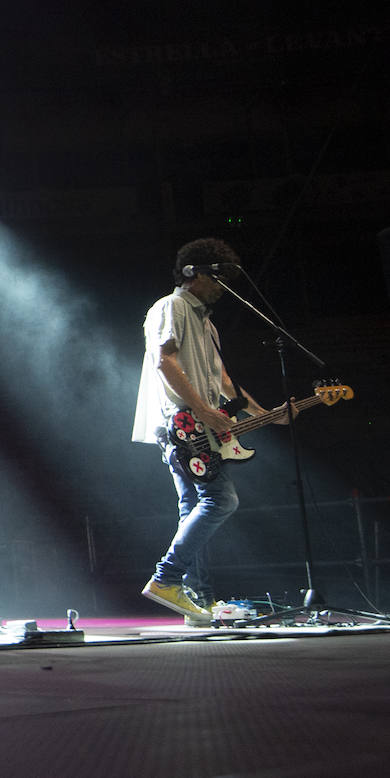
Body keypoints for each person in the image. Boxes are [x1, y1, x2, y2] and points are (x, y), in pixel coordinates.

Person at [132, 237, 287, 624]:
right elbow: (164, 361)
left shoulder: (207, 324)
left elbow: (223, 381)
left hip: (199, 424)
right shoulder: (171, 307)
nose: (223, 287)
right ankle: (165, 578)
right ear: (193, 273)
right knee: (221, 500)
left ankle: (195, 600)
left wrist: (265, 413)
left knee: (193, 509)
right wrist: (202, 409)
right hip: (183, 425)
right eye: (217, 278)